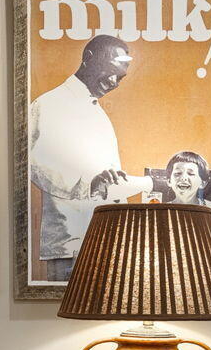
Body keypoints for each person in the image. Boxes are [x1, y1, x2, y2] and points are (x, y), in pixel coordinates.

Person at [28, 35, 149, 280]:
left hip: (107, 243)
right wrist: (88, 182)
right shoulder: (51, 104)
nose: (114, 82)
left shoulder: (94, 110)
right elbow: (32, 163)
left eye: (121, 78)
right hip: (74, 244)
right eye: (110, 71)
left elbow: (107, 184)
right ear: (88, 58)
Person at [163, 149, 211, 226]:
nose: (183, 178)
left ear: (202, 183)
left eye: (191, 173)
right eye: (178, 173)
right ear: (169, 181)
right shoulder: (162, 210)